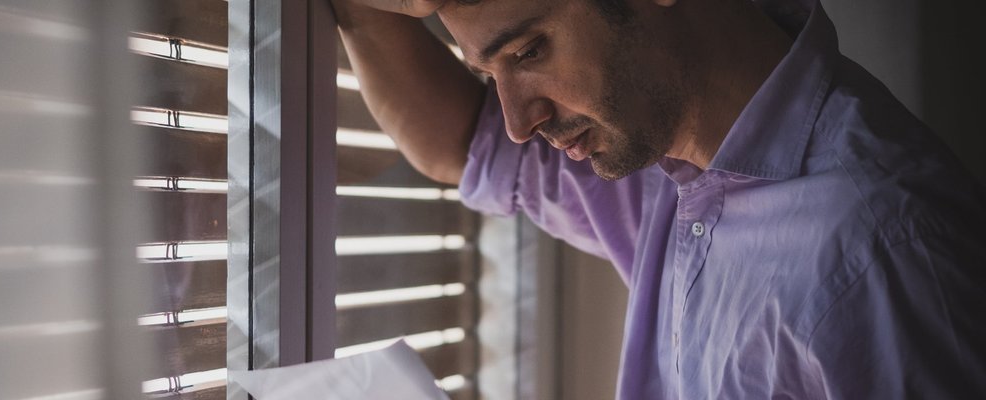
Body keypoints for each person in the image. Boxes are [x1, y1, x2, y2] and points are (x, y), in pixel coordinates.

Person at [331, 0, 986, 398]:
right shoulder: (661, 158)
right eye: (489, 73)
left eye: (529, 50)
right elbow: (463, 144)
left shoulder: (886, 245)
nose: (518, 120)